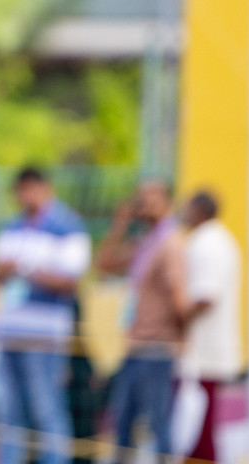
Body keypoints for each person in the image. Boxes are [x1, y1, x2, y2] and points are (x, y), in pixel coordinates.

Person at [0, 167, 89, 464]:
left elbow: (72, 280)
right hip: (10, 330)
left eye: (32, 188)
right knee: (7, 410)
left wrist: (27, 270)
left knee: (47, 407)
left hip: (45, 332)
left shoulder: (68, 226)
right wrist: (12, 270)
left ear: (46, 188)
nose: (27, 195)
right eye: (22, 189)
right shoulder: (12, 227)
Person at [95, 178, 188, 459]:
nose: (144, 203)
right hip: (136, 345)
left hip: (158, 347)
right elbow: (104, 264)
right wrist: (120, 224)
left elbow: (178, 298)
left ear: (167, 201)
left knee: (158, 425)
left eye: (151, 197)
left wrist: (181, 339)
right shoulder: (145, 243)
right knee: (123, 424)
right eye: (141, 197)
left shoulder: (170, 243)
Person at [178, 190, 240, 463]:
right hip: (208, 349)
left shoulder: (207, 243)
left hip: (203, 351)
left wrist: (177, 317)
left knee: (197, 432)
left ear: (198, 211)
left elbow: (205, 297)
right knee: (200, 428)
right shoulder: (217, 239)